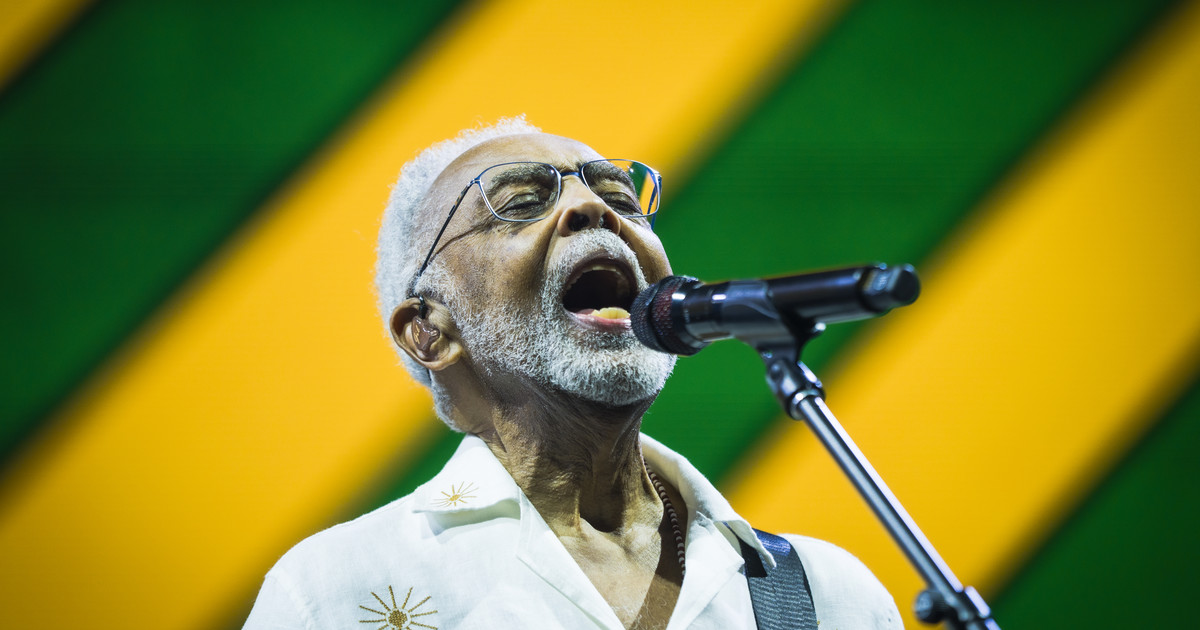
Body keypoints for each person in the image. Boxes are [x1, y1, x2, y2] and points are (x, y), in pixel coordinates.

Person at [243, 118, 902, 629]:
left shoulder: (830, 596)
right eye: (521, 203)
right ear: (430, 332)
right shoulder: (335, 590)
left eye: (619, 195)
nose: (593, 208)